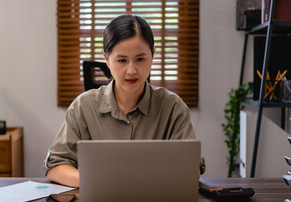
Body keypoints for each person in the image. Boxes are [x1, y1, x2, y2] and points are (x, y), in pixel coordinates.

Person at [44, 14, 205, 187]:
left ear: (152, 56)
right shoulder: (83, 106)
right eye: (122, 60)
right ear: (106, 59)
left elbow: (191, 168)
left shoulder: (173, 107)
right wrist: (100, 182)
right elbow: (56, 165)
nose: (131, 70)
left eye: (140, 59)